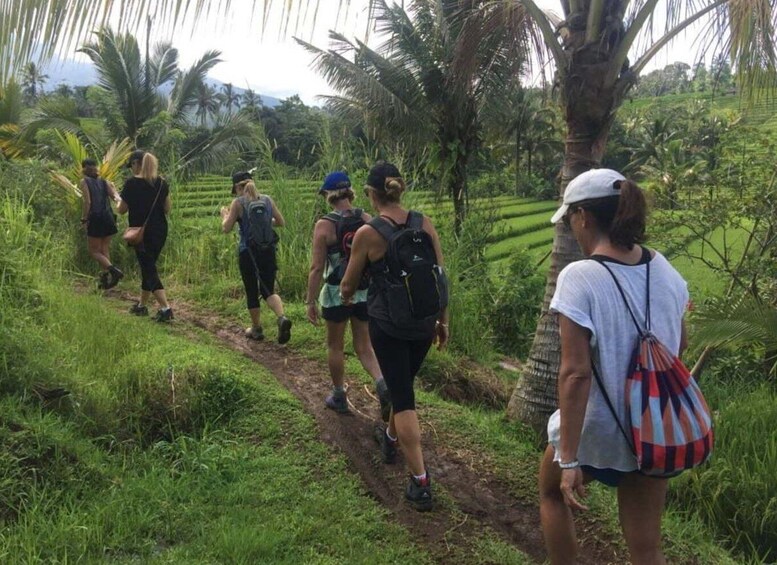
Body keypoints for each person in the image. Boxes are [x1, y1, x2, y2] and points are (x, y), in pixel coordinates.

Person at [539, 169, 689, 565]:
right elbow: (680, 344)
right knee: (646, 549)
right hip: (653, 429)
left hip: (596, 430)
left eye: (571, 218)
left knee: (552, 493)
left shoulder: (580, 277)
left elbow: (576, 373)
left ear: (584, 217)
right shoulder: (665, 270)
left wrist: (569, 459)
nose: (572, 227)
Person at [340, 162, 449, 512]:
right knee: (403, 384)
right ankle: (389, 438)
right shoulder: (423, 223)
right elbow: (440, 278)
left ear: (371, 194)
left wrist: (345, 293)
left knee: (403, 398)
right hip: (424, 322)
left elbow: (348, 284)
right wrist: (442, 322)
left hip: (388, 326)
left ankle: (420, 482)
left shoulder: (369, 233)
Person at [304, 171, 391, 418]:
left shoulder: (324, 225)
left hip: (334, 293)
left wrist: (310, 301)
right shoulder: (367, 218)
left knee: (335, 346)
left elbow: (317, 267)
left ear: (328, 196)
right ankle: (382, 384)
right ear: (350, 193)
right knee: (364, 345)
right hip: (363, 291)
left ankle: (339, 395)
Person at [221, 171, 292, 344]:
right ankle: (282, 317)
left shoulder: (238, 203)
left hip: (248, 252)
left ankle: (256, 329)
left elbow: (226, 228)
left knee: (251, 290)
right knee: (268, 290)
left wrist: (224, 214)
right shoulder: (267, 200)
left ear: (238, 187)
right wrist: (266, 223)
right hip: (268, 250)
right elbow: (281, 222)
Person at [117, 150, 174, 322]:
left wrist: (115, 196)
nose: (131, 169)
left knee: (148, 268)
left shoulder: (131, 184)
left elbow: (121, 210)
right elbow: (167, 209)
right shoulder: (162, 183)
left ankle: (166, 308)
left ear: (136, 163)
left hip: (141, 234)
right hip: (160, 231)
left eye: (131, 165)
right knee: (148, 266)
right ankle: (142, 305)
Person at [79, 158, 123, 289]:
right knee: (104, 249)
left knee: (94, 251)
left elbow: (88, 202)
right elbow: (116, 197)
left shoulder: (84, 181)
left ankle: (113, 271)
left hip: (96, 218)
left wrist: (84, 219)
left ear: (83, 169)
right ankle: (105, 280)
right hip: (108, 217)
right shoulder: (104, 182)